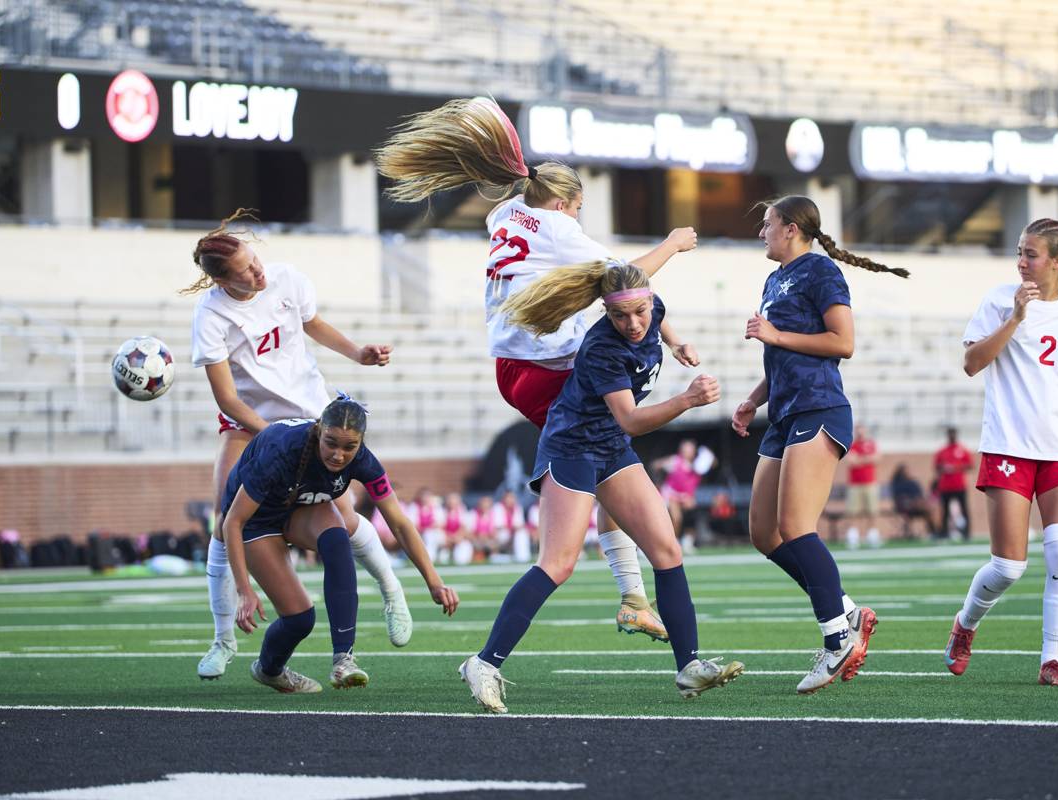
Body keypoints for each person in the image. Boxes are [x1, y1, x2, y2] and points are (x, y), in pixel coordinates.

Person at [376, 97, 700, 642]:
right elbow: (624, 278)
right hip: (546, 369)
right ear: (566, 202)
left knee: (610, 468)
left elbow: (628, 298)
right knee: (611, 453)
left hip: (512, 367)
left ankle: (634, 597)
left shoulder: (502, 214)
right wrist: (671, 243)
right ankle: (630, 596)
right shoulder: (558, 228)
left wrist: (671, 334)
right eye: (577, 208)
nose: (578, 219)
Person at [458, 261, 744, 713]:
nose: (633, 324)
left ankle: (688, 665)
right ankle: (483, 663)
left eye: (640, 312)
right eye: (620, 316)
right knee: (557, 564)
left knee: (668, 552)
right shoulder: (602, 349)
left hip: (610, 448)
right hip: (572, 447)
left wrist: (677, 342)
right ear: (607, 313)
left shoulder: (653, 308)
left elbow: (661, 319)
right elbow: (631, 419)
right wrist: (687, 399)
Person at [184, 211, 412, 681]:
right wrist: (272, 436)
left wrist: (357, 353)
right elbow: (227, 396)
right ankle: (223, 638)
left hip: (311, 416)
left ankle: (392, 590)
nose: (257, 271)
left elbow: (314, 325)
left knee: (345, 518)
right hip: (252, 425)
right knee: (222, 517)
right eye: (245, 270)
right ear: (221, 279)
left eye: (255, 259)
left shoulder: (286, 279)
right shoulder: (210, 314)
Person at [731, 195, 908, 694]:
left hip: (819, 408)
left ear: (790, 228)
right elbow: (780, 354)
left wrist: (777, 335)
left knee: (796, 526)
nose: (761, 232)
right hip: (783, 413)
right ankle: (849, 612)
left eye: (766, 224)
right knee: (764, 533)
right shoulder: (773, 279)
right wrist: (752, 398)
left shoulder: (821, 272)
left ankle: (837, 640)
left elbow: (842, 342)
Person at [944, 218, 1058, 687]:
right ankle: (966, 625)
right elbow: (971, 363)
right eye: (1019, 251)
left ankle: (1051, 662)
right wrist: (1015, 318)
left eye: (1031, 254)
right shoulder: (1000, 300)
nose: (1021, 261)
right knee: (1008, 567)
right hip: (1008, 446)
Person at [222, 397, 460, 693]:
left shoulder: (362, 459)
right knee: (300, 619)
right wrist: (245, 591)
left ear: (360, 442)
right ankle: (269, 670)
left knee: (338, 537)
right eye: (331, 443)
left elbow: (398, 522)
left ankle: (343, 660)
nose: (338, 455)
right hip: (256, 518)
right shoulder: (282, 451)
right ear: (319, 430)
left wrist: (434, 581)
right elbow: (232, 522)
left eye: (349, 447)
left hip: (298, 505)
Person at [652, 439, 716, 554]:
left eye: (690, 449)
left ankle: (688, 541)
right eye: (685, 449)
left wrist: (709, 456)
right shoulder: (675, 461)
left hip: (686, 498)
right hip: (671, 495)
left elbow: (714, 463)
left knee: (693, 511)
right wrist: (659, 481)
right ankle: (672, 541)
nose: (688, 452)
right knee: (676, 517)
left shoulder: (699, 465)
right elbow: (656, 465)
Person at [844, 424, 881, 548]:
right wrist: (867, 459)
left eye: (862, 431)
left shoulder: (871, 444)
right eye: (858, 431)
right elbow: (852, 462)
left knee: (872, 511)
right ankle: (853, 537)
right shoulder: (852, 445)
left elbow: (877, 458)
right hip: (855, 485)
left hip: (870, 483)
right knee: (853, 512)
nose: (860, 433)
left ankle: (872, 536)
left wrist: (861, 460)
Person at [933, 427, 974, 539]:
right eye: (950, 434)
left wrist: (956, 468)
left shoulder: (962, 450)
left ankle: (966, 533)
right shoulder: (942, 451)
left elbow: (970, 465)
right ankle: (944, 533)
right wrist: (944, 468)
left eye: (953, 434)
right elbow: (936, 467)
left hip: (959, 485)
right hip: (945, 486)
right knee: (945, 511)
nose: (952, 436)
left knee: (964, 509)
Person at [889, 464, 934, 539]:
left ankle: (933, 532)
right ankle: (908, 532)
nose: (908, 472)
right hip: (904, 506)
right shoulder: (897, 484)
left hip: (917, 505)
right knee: (915, 505)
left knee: (929, 510)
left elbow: (920, 495)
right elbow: (898, 497)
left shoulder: (914, 483)